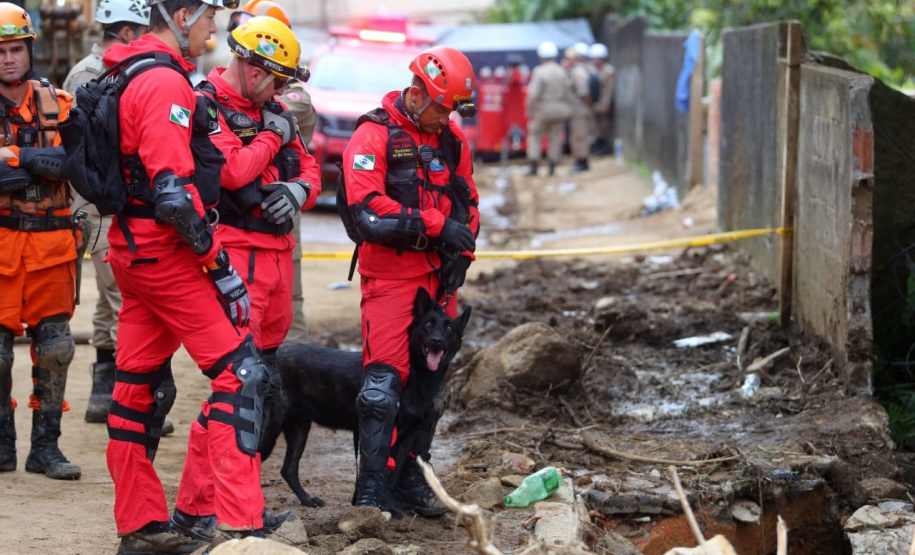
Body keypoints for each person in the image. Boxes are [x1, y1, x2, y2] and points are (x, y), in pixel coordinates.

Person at [101, 0, 286, 552]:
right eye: (209, 18)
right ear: (182, 16)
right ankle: (241, 528)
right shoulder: (164, 82)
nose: (214, 30)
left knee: (135, 392)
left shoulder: (130, 68)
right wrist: (219, 266)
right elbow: (174, 198)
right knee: (241, 376)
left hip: (132, 252)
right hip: (165, 256)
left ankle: (141, 527)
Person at [180, 17, 320, 530]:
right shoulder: (207, 105)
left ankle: (212, 507)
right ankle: (211, 509)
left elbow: (311, 168)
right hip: (238, 257)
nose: (281, 92)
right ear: (254, 69)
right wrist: (271, 136)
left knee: (258, 388)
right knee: (238, 387)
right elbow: (234, 170)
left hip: (277, 258)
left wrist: (298, 192)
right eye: (276, 80)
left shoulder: (274, 110)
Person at [342, 45, 480, 514]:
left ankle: (411, 479)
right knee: (382, 389)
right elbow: (366, 207)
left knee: (430, 390)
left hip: (440, 276)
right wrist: (438, 227)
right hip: (391, 274)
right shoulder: (373, 134)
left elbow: (469, 201)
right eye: (442, 107)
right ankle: (371, 488)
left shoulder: (452, 140)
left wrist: (464, 253)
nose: (446, 118)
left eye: (452, 110)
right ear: (417, 94)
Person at [0, 1, 82, 481]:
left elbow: (77, 164)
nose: (8, 59)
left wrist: (15, 157)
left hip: (53, 247)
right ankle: (2, 445)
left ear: (30, 49)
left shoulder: (59, 103)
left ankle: (45, 449)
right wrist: (41, 161)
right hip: (1, 247)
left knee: (55, 349)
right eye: (0, 51)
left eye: (15, 49)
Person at [62, 0, 149, 425]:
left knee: (109, 296)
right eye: (143, 31)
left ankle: (103, 392)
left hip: (107, 200)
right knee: (121, 298)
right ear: (128, 32)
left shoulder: (110, 69)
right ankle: (124, 399)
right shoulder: (91, 74)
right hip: (98, 204)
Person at [279, 76, 317, 344]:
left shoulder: (297, 99)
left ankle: (294, 363)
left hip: (284, 211)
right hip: (241, 216)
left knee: (289, 301)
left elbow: (267, 114)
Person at [523, 40, 571, 177]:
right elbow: (567, 92)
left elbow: (533, 95)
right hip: (559, 110)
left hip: (542, 110)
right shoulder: (562, 71)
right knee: (555, 138)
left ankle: (534, 166)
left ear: (541, 56)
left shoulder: (540, 72)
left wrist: (529, 110)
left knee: (535, 136)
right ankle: (552, 166)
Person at [565, 42, 592, 173]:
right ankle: (579, 160)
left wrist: (589, 106)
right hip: (576, 111)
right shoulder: (575, 70)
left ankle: (582, 162)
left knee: (580, 137)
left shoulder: (578, 71)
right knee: (576, 137)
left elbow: (583, 92)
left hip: (580, 111)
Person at [588, 43, 615, 155]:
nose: (596, 61)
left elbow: (608, 89)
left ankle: (602, 145)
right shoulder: (589, 69)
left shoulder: (608, 70)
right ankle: (594, 145)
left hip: (603, 103)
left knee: (603, 126)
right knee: (592, 126)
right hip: (590, 103)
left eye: (599, 58)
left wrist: (606, 105)